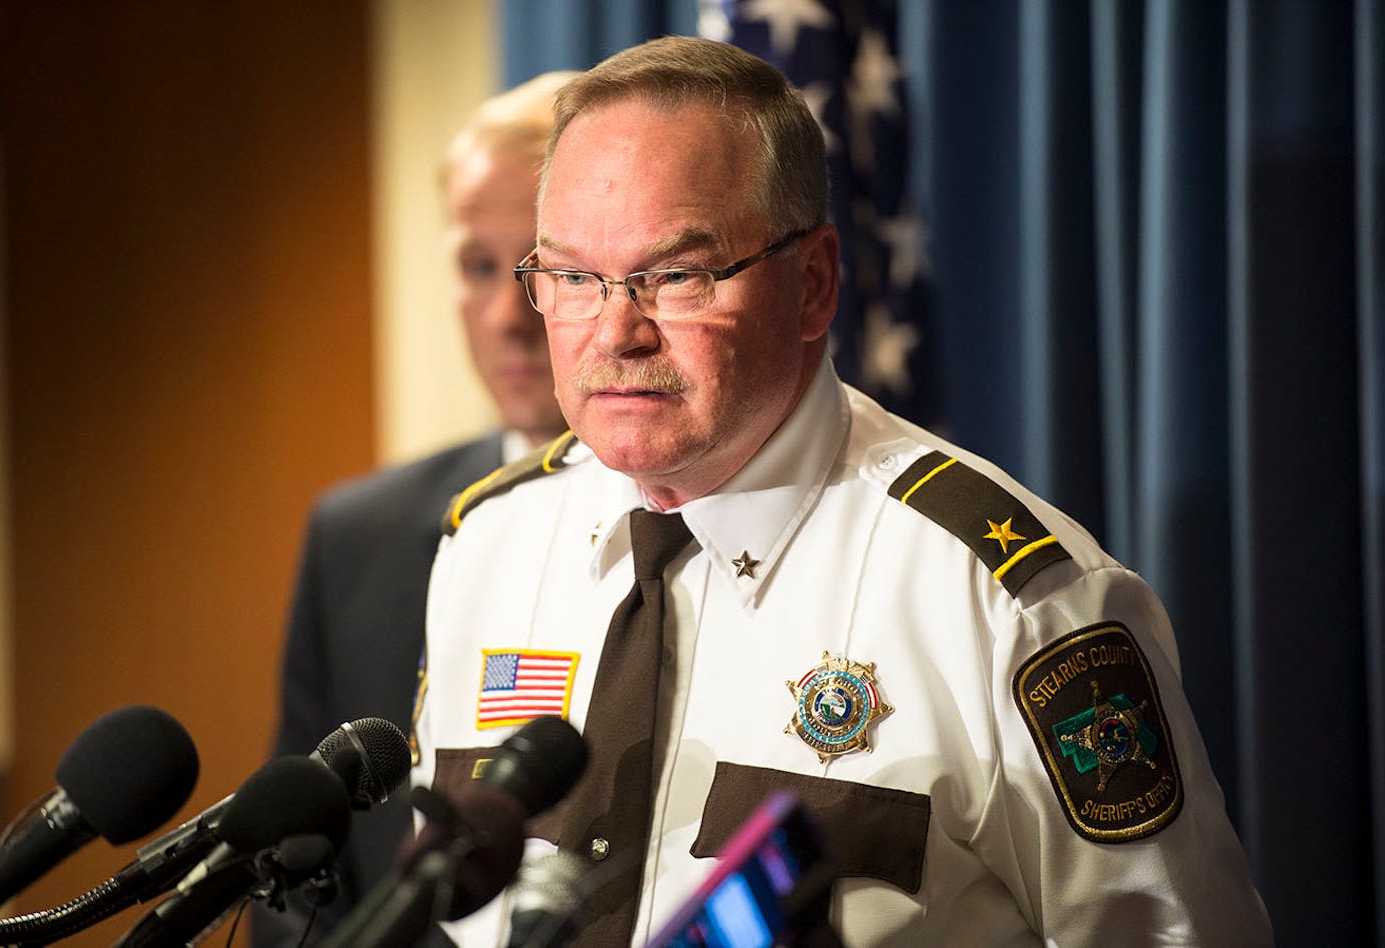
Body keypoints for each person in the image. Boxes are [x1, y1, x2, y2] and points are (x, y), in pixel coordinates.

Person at [409, 36, 1272, 947]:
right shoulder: (487, 546)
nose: (615, 332)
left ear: (814, 283)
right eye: (575, 277)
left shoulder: (1009, 599)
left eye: (677, 277)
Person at [252, 71, 573, 942]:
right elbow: (293, 868)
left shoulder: (704, 529)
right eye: (478, 267)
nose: (510, 314)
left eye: (544, 268)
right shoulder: (357, 534)